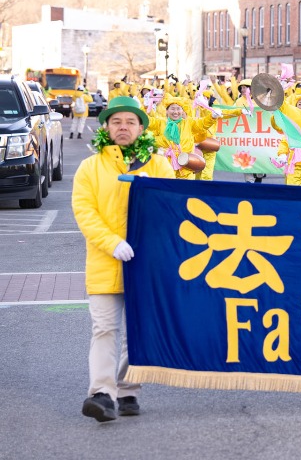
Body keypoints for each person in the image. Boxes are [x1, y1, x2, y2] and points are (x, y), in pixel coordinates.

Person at [71, 96, 175, 422]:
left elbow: (172, 211)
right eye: (116, 122)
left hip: (146, 264)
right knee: (104, 328)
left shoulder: (158, 165)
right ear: (106, 127)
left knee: (139, 331)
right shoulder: (90, 167)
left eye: (130, 122)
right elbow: (84, 212)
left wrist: (154, 193)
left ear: (141, 127)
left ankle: (128, 389)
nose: (123, 128)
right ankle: (101, 393)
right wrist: (111, 242)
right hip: (106, 260)